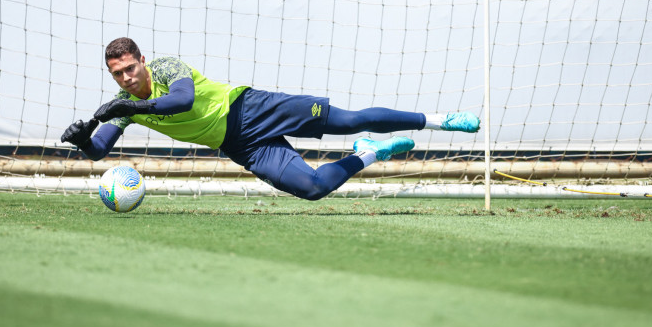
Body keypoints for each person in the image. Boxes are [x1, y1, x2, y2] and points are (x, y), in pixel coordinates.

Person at [61, 37, 480, 200]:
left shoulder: (167, 68)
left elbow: (183, 101)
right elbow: (99, 151)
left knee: (350, 120)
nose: (126, 78)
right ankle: (370, 155)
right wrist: (83, 140)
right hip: (239, 145)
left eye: (130, 68)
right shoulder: (123, 103)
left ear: (142, 61)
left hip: (253, 108)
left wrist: (129, 108)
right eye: (117, 74)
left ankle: (439, 120)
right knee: (313, 188)